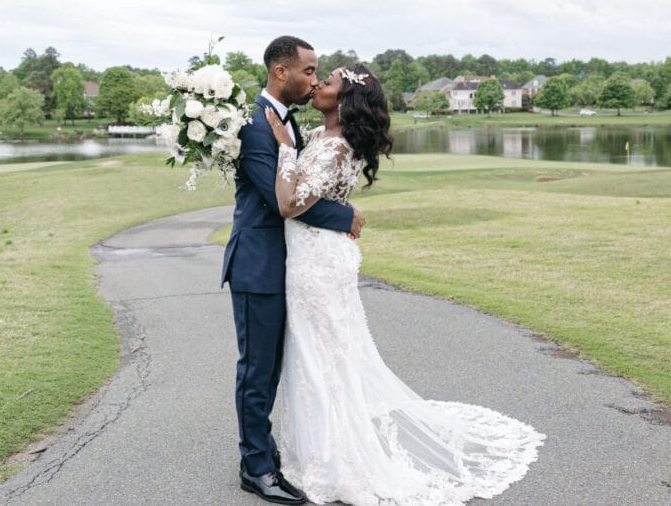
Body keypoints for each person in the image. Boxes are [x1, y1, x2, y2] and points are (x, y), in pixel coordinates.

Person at [265, 64, 545, 505]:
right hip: (308, 257)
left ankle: (340, 462)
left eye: (329, 82)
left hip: (319, 263)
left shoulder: (338, 145)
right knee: (314, 356)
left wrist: (283, 148)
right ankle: (317, 453)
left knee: (326, 360)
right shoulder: (319, 137)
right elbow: (322, 196)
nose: (318, 84)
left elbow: (290, 203)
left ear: (346, 100)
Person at [221, 36, 365, 504]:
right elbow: (284, 203)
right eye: (308, 71)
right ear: (281, 72)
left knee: (279, 367)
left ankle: (264, 452)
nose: (313, 80)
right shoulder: (257, 128)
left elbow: (305, 188)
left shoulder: (289, 125)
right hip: (257, 264)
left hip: (288, 265)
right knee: (258, 369)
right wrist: (347, 216)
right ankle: (256, 468)